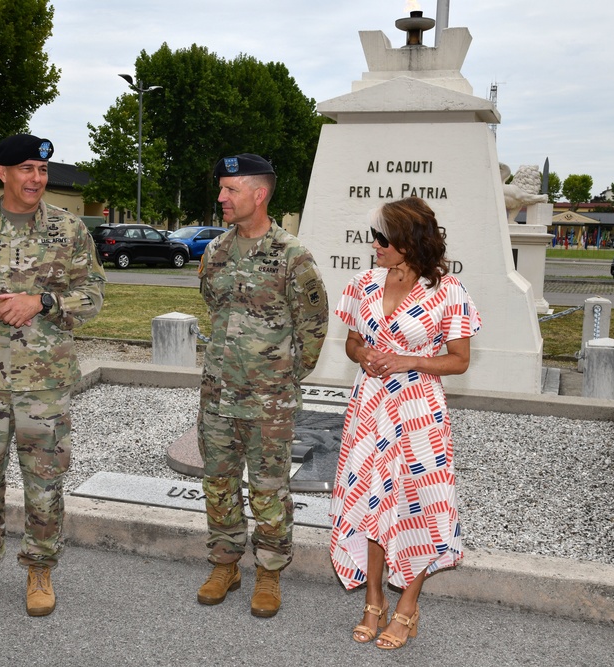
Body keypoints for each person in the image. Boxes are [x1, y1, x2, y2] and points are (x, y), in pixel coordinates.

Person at [0, 134, 106, 617]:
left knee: (45, 481)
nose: (36, 179)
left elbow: (93, 295)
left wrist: (44, 301)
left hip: (45, 383)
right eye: (27, 169)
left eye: (43, 171)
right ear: (2, 173)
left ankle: (39, 571)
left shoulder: (70, 231)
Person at [330, 197, 481, 649]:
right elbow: (352, 344)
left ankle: (407, 609)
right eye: (373, 237)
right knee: (371, 503)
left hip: (418, 414)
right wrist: (366, 355)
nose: (373, 245)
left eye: (382, 238)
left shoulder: (447, 291)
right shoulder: (364, 283)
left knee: (416, 507)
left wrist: (405, 360)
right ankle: (373, 600)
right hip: (369, 407)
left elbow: (459, 362)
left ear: (408, 241)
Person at [195, 153, 328, 618]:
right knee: (218, 482)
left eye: (230, 189)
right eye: (222, 189)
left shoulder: (293, 255)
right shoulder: (215, 252)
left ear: (259, 193)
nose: (221, 197)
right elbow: (213, 305)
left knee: (269, 487)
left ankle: (269, 572)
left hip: (269, 400)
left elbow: (313, 326)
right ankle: (225, 564)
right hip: (217, 394)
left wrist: (282, 378)